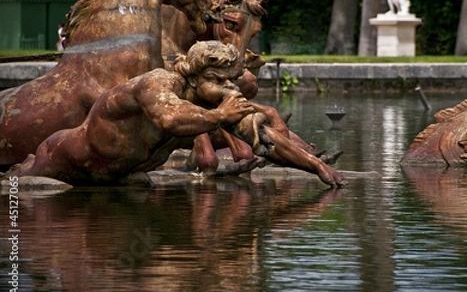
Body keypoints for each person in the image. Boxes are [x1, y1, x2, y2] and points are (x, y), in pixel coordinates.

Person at [7, 41, 346, 188]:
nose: (229, 90)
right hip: (70, 158)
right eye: (218, 81)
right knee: (18, 188)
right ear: (196, 76)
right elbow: (169, 119)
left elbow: (267, 144)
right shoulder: (158, 82)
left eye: (230, 82)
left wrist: (315, 167)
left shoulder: (216, 103)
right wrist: (221, 116)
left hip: (119, 177)